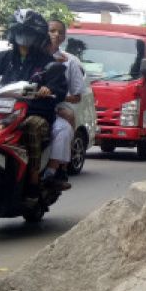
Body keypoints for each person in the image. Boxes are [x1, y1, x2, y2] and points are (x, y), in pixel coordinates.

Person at [0, 10, 67, 195]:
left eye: (29, 33)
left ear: (38, 37)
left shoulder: (46, 61)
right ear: (12, 33)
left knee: (33, 127)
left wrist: (48, 89)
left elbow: (59, 87)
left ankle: (33, 181)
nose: (24, 37)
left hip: (34, 112)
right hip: (3, 111)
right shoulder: (2, 58)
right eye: (20, 32)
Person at [47, 19, 87, 186]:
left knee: (64, 125)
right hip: (27, 106)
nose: (56, 35)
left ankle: (55, 170)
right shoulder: (31, 57)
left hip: (54, 107)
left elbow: (77, 96)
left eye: (60, 32)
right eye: (52, 30)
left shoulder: (68, 61)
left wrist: (55, 97)